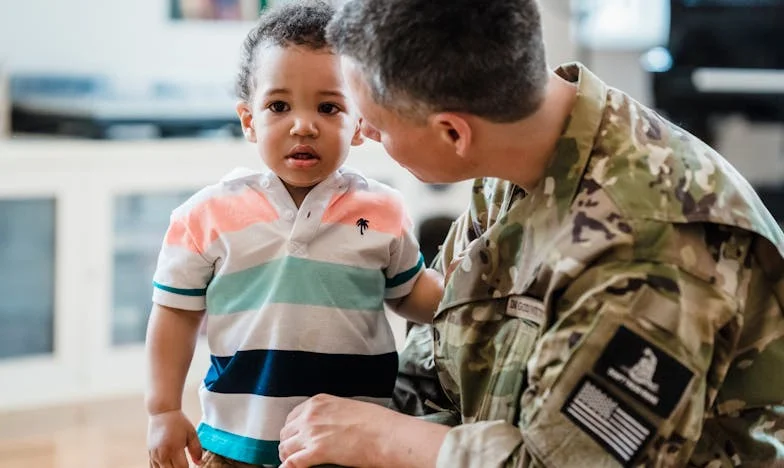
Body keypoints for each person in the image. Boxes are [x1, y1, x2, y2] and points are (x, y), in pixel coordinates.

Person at [276, 0, 784, 467]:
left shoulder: (651, 253)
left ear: (454, 132)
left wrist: (381, 437)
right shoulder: (518, 149)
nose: (361, 134)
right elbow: (437, 364)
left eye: (376, 125)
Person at [144, 2, 443, 467]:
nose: (303, 125)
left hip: (353, 438)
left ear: (360, 122)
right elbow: (175, 316)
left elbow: (410, 294)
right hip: (236, 441)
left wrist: (468, 299)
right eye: (278, 106)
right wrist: (162, 408)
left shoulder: (383, 210)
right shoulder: (205, 215)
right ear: (249, 120)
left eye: (328, 107)